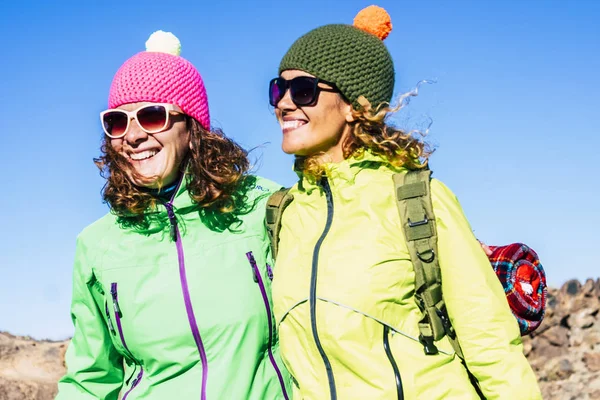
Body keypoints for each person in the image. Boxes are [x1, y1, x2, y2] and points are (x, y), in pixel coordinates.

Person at [268, 6, 542, 400]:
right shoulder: (285, 215)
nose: (285, 103)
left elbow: (491, 345)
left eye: (304, 90)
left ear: (355, 105)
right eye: (279, 89)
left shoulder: (417, 199)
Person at [56, 31, 290, 400]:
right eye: (117, 122)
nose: (132, 135)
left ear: (191, 128)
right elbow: (90, 379)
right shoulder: (97, 245)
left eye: (151, 116)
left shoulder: (264, 206)